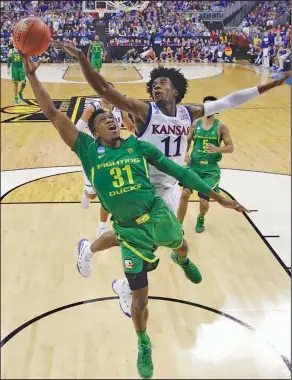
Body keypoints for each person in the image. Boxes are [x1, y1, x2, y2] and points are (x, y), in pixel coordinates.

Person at [22, 54, 248, 380]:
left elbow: (180, 173)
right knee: (140, 300)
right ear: (94, 132)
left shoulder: (139, 147)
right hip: (128, 232)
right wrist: (33, 76)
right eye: (103, 121)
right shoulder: (86, 149)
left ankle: (181, 261)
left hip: (156, 214)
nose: (111, 122)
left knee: (181, 246)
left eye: (112, 119)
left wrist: (218, 197)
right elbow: (53, 114)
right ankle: (143, 342)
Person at [59, 40, 290, 322]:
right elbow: (104, 90)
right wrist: (82, 57)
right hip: (141, 187)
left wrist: (271, 85)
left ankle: (104, 263)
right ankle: (121, 279)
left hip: (169, 187)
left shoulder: (186, 113)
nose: (156, 85)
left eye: (163, 82)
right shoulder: (144, 111)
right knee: (144, 242)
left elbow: (230, 101)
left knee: (149, 243)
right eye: (154, 83)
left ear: (176, 90)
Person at [75, 82, 135, 237]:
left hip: (114, 153)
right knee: (93, 194)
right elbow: (76, 130)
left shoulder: (120, 109)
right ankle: (86, 192)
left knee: (110, 192)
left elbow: (129, 127)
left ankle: (102, 226)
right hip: (94, 154)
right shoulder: (92, 109)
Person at [177, 96, 234, 232]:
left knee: (203, 201)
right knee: (185, 194)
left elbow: (230, 147)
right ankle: (178, 226)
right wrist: (185, 152)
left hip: (210, 169)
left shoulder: (221, 126)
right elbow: (187, 140)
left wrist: (218, 149)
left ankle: (201, 216)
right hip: (194, 166)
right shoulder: (195, 124)